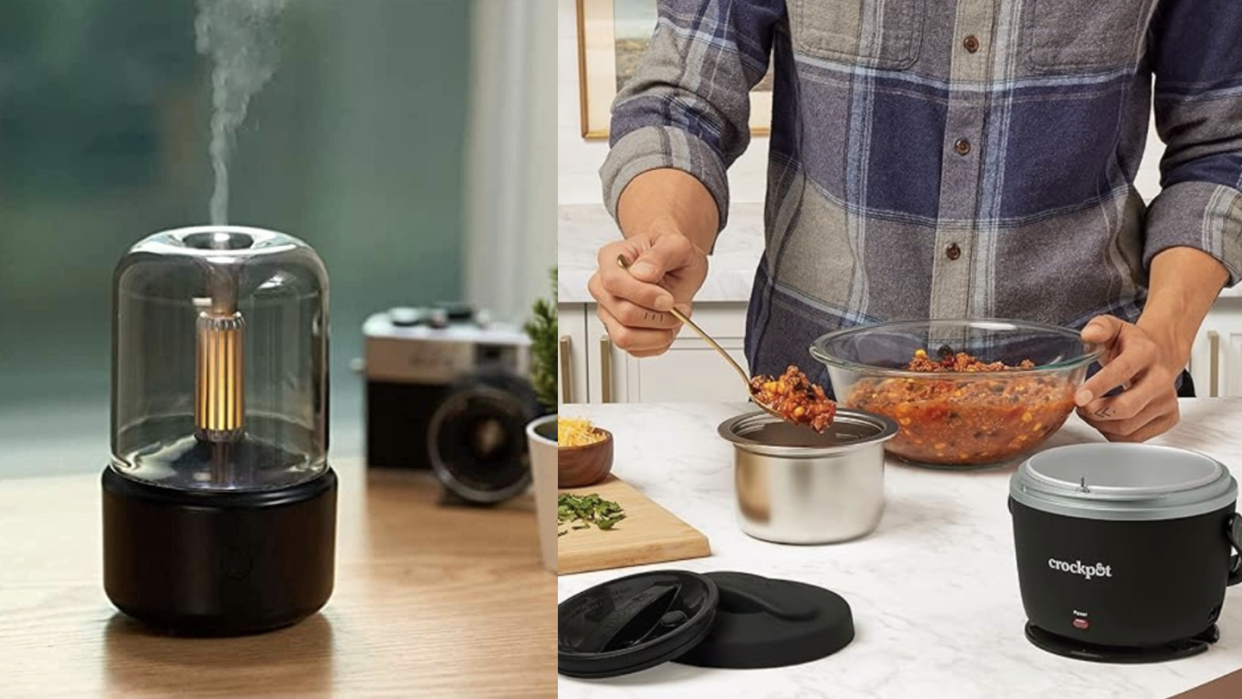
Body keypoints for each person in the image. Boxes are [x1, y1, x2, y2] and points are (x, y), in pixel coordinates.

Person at [588, 0, 1241, 443]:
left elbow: (1223, 147)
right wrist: (664, 237)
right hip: (822, 417)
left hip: (1090, 410)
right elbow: (680, 100)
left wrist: (1166, 333)